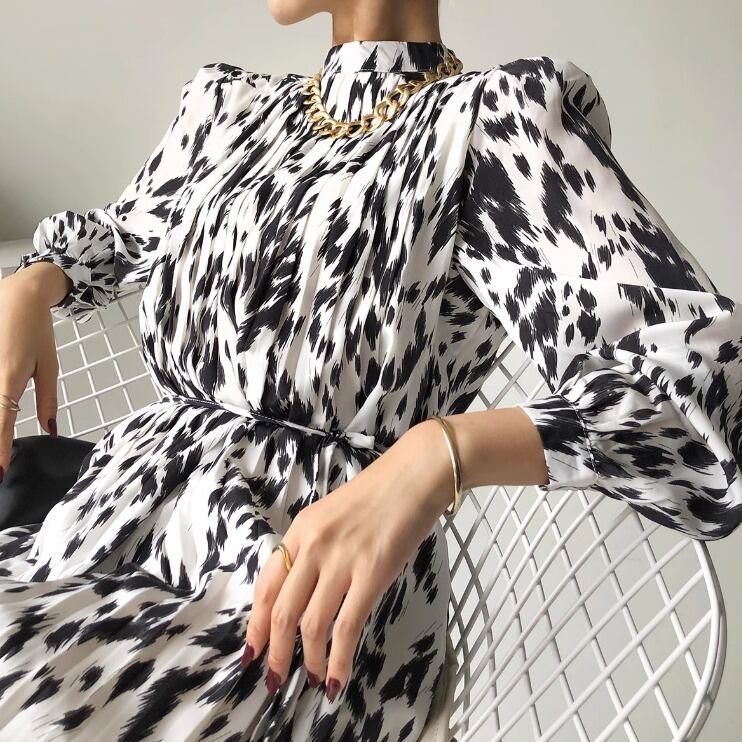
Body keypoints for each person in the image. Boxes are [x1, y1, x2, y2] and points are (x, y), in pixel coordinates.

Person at [0, 0, 741, 739]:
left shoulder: (490, 125)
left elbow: (700, 373)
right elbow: (123, 233)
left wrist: (436, 456)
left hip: (291, 597)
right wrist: (35, 280)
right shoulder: (231, 111)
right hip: (99, 526)